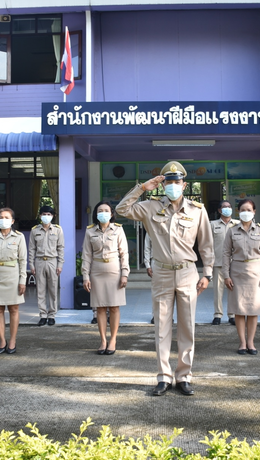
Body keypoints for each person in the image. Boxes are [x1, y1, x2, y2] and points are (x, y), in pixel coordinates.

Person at [116, 161, 214, 397]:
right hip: (161, 273)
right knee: (161, 327)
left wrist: (207, 273)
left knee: (187, 327)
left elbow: (207, 244)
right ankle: (163, 377)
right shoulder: (149, 207)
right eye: (168, 182)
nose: (172, 186)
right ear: (163, 185)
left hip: (188, 272)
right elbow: (121, 209)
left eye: (176, 182)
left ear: (184, 184)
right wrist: (142, 188)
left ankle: (184, 376)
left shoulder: (197, 210)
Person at [222, 199, 260, 355]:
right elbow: (226, 253)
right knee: (239, 309)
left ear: (254, 212)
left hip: (255, 273)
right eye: (243, 210)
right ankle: (242, 342)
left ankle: (251, 342)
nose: (246, 212)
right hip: (237, 272)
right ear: (238, 212)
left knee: (253, 308)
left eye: (249, 210)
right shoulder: (232, 231)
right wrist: (226, 275)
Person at [82, 202, 129, 355]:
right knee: (100, 307)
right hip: (96, 272)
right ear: (96, 213)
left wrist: (124, 274)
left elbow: (124, 254)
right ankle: (103, 340)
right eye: (100, 210)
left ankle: (113, 339)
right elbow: (86, 255)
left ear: (111, 213)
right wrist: (85, 276)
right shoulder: (90, 231)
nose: (103, 213)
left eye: (106, 210)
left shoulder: (118, 230)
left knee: (114, 307)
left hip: (114, 271)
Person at [0, 208, 27, 355]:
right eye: (0, 217)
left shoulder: (19, 237)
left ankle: (13, 340)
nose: (3, 219)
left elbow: (23, 260)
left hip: (13, 275)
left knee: (14, 309)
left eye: (6, 217)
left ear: (12, 221)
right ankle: (2, 340)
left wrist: (23, 280)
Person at [29, 206, 65, 326]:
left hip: (52, 261)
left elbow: (61, 248)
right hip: (39, 261)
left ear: (53, 216)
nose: (46, 216)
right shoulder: (34, 230)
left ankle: (52, 315)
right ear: (40, 216)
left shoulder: (57, 230)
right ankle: (43, 315)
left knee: (53, 289)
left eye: (49, 214)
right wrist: (31, 265)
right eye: (44, 214)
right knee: (40, 290)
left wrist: (60, 264)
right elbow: (31, 249)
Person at [211, 200, 239, 326]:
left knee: (233, 290)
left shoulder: (238, 224)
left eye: (229, 206)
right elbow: (208, 244)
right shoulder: (213, 225)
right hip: (218, 263)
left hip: (235, 263)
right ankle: (217, 315)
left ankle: (232, 315)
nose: (227, 209)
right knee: (218, 290)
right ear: (219, 210)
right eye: (224, 207)